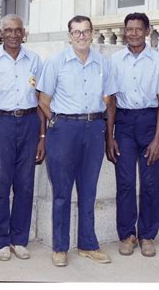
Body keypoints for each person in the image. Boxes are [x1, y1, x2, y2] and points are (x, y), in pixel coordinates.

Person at [37, 15, 117, 267]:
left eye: (85, 32)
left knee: (88, 190)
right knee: (61, 191)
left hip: (94, 128)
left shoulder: (103, 64)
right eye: (76, 32)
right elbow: (43, 101)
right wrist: (58, 123)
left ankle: (88, 244)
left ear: (92, 33)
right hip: (64, 130)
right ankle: (60, 247)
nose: (81, 36)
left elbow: (110, 99)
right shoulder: (56, 63)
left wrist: (105, 131)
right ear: (69, 35)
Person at [0, 14, 46, 261]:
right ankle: (1, 240)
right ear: (0, 32)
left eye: (18, 30)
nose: (13, 35)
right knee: (1, 185)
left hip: (29, 123)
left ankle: (19, 239)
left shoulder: (34, 60)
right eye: (8, 30)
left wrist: (42, 136)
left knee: (25, 185)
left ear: (23, 33)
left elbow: (40, 101)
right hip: (1, 124)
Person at [106, 12, 159, 258]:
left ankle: (147, 235)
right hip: (123, 123)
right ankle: (127, 235)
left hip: (148, 122)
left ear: (147, 31)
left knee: (149, 183)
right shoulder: (114, 61)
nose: (133, 33)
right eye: (129, 29)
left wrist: (158, 138)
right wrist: (110, 135)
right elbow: (110, 100)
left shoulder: (157, 61)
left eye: (138, 29)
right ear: (124, 31)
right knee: (125, 183)